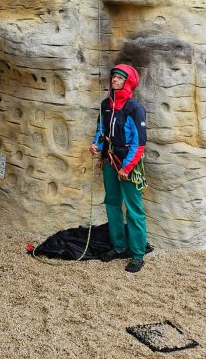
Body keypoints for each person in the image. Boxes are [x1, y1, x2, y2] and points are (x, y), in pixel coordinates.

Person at [90, 64, 148, 272]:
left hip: (127, 166)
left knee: (134, 210)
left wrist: (127, 167)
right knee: (112, 204)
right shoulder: (106, 105)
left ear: (128, 82)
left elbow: (139, 143)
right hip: (109, 162)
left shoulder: (134, 108)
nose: (114, 80)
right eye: (113, 77)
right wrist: (97, 145)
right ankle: (118, 246)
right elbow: (101, 130)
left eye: (119, 78)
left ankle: (138, 254)